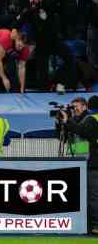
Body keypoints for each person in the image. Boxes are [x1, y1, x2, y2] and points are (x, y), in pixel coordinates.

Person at [59, 96, 98, 235]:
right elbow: (62, 138)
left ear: (85, 106)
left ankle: (95, 225)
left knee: (92, 196)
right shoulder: (74, 121)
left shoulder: (90, 119)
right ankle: (80, 224)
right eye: (73, 107)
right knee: (77, 196)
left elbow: (82, 131)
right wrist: (60, 123)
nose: (74, 109)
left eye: (77, 107)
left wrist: (67, 120)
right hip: (77, 162)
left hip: (91, 163)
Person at [0, 28, 31, 93]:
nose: (20, 48)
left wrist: (22, 87)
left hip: (5, 53)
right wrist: (4, 78)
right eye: (19, 45)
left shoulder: (25, 49)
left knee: (12, 78)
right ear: (16, 39)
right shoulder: (6, 38)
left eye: (22, 47)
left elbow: (22, 67)